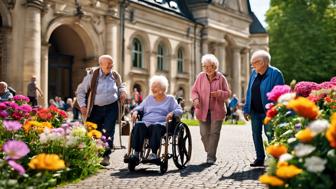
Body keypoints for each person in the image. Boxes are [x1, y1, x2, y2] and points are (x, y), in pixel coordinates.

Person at [76, 54, 127, 166]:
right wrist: (83, 105)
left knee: (109, 131)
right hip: (95, 108)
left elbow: (121, 85)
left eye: (111, 63)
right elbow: (80, 91)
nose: (111, 65)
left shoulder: (114, 75)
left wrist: (123, 91)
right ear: (101, 64)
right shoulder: (92, 75)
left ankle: (105, 155)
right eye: (108, 63)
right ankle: (94, 153)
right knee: (94, 130)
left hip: (111, 107)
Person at [243, 50, 285, 167]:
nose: (252, 65)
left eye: (254, 63)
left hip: (269, 112)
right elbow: (249, 92)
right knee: (256, 134)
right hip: (255, 111)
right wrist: (246, 109)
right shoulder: (254, 73)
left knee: (270, 134)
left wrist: (275, 110)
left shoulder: (275, 74)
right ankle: (259, 158)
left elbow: (279, 94)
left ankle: (272, 158)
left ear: (262, 62)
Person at [130, 75, 183, 161]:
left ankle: (154, 154)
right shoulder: (149, 98)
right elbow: (139, 108)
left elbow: (179, 110)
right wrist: (135, 112)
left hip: (161, 124)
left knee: (156, 127)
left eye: (155, 87)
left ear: (162, 89)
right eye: (152, 86)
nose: (152, 89)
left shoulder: (170, 99)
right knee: (138, 125)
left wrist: (172, 113)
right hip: (146, 123)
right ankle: (136, 153)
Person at [191, 54, 231, 164]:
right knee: (204, 134)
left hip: (217, 111)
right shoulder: (200, 77)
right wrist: (195, 99)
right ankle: (210, 150)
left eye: (209, 66)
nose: (207, 69)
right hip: (202, 110)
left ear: (214, 66)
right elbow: (194, 91)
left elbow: (228, 94)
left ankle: (211, 157)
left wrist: (219, 93)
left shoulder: (221, 78)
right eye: (205, 66)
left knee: (214, 133)